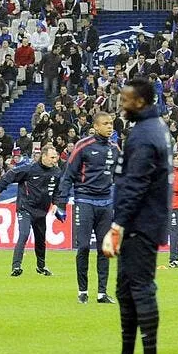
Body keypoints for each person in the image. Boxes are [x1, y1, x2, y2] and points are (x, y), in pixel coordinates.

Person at [96, 77, 171, 354]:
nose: (120, 104)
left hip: (141, 223)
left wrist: (118, 226)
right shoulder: (153, 128)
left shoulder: (144, 134)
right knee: (125, 291)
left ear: (140, 101)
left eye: (125, 99)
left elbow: (135, 185)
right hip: (142, 221)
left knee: (140, 290)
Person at [55, 112, 119, 304]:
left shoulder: (115, 148)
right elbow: (68, 175)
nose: (110, 126)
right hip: (84, 201)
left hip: (106, 203)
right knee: (83, 247)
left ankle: (101, 293)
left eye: (111, 123)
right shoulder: (83, 145)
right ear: (96, 127)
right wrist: (61, 203)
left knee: (104, 249)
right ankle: (82, 290)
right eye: (105, 123)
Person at [0, 143, 60, 276]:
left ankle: (41, 267)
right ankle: (16, 266)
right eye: (52, 157)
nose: (55, 160)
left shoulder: (56, 172)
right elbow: (10, 174)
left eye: (55, 157)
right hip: (25, 208)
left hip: (41, 211)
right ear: (43, 156)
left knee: (40, 240)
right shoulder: (29, 169)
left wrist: (56, 203)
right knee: (24, 234)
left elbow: (57, 190)